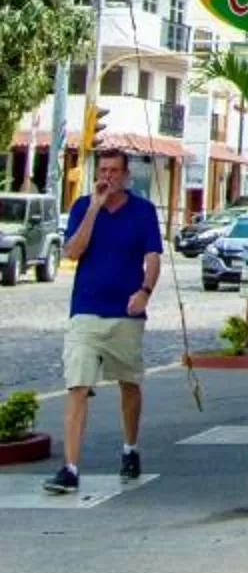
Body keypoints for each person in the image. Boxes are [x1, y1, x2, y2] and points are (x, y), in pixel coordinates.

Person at [43, 146, 162, 495]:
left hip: (125, 311)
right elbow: (72, 252)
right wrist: (94, 208)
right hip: (86, 310)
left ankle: (130, 447)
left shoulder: (142, 211)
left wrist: (145, 291)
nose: (108, 177)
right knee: (78, 385)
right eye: (103, 170)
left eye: (114, 171)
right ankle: (70, 467)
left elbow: (153, 257)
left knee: (129, 383)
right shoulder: (83, 207)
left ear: (126, 175)